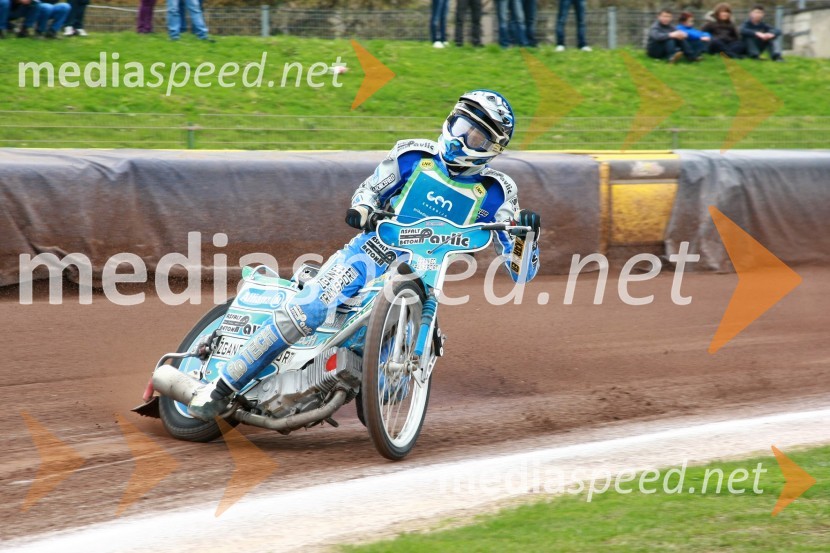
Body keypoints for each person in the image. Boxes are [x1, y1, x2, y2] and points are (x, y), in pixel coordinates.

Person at [187, 90, 543, 420]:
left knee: (391, 377)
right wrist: (363, 208)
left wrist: (526, 237)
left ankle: (335, 379)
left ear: (492, 148)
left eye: (475, 137)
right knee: (311, 308)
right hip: (370, 253)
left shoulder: (498, 191)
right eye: (461, 127)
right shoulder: (412, 155)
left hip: (423, 273)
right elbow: (369, 190)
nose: (461, 139)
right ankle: (220, 387)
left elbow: (521, 271)